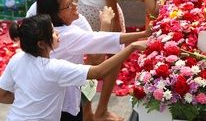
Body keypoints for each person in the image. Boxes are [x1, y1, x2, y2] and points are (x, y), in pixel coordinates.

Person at [0, 14, 146, 121]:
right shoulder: (55, 68)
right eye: (52, 32)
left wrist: (27, 99)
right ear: (41, 44)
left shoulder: (17, 59)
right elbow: (98, 71)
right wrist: (131, 47)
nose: (57, 33)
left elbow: (2, 95)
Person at [36, 0, 149, 121]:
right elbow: (98, 57)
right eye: (68, 5)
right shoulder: (66, 34)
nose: (75, 5)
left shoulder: (48, 27)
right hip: (61, 102)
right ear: (55, 13)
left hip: (54, 96)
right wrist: (137, 41)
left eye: (73, 0)